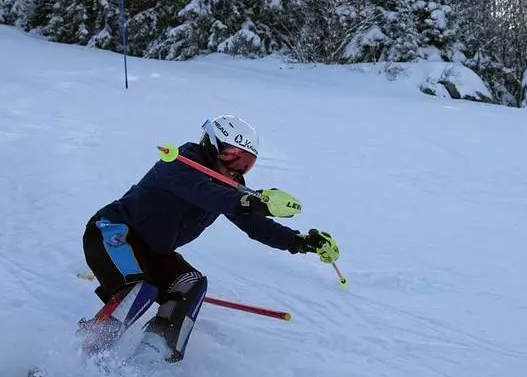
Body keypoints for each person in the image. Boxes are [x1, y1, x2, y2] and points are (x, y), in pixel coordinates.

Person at [78, 115, 339, 362]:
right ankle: (83, 354)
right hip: (111, 233)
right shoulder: (179, 163)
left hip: (154, 252)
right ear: (212, 145)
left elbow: (256, 225)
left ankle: (151, 359)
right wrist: (251, 201)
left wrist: (300, 241)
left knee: (190, 285)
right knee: (139, 290)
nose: (238, 169)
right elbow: (206, 193)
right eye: (233, 157)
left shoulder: (228, 187)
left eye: (246, 163)